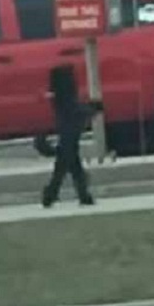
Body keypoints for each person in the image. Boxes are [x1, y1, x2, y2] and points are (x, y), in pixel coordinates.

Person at [41, 66, 103, 208]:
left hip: (67, 134)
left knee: (66, 164)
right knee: (69, 164)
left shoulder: (59, 100)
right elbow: (76, 110)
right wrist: (93, 109)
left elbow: (75, 109)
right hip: (69, 134)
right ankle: (58, 193)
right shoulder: (66, 101)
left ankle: (55, 193)